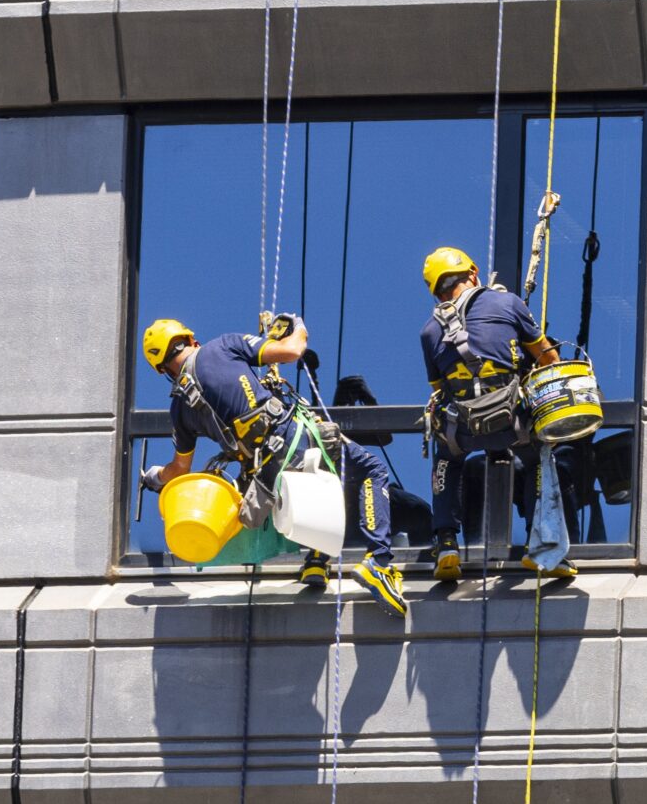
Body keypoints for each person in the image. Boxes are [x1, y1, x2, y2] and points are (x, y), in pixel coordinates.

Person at [139, 316, 409, 619]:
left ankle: (317, 560)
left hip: (264, 473)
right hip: (291, 439)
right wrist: (299, 328)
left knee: (328, 478)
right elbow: (292, 351)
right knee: (370, 470)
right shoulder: (223, 346)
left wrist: (153, 478)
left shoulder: (180, 409)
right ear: (191, 340)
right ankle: (379, 562)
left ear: (163, 369)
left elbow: (180, 470)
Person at [419, 243, 578, 582]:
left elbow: (439, 390)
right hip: (512, 421)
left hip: (463, 428)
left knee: (446, 458)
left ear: (437, 291)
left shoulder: (430, 331)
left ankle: (446, 543)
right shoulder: (507, 303)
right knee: (541, 456)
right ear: (473, 274)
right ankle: (543, 542)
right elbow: (549, 361)